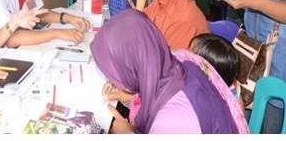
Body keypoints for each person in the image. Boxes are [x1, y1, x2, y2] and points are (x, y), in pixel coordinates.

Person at [93, 10, 246, 134]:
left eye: (113, 73)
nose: (110, 79)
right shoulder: (179, 61)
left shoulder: (173, 120)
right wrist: (131, 98)